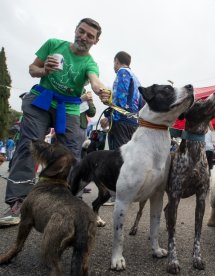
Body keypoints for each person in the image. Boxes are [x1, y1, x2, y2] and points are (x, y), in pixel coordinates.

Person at [0, 18, 110, 226]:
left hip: (68, 107)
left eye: (90, 36)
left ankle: (70, 199)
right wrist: (44, 71)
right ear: (75, 30)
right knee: (29, 145)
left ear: (96, 41)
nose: (83, 37)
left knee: (72, 153)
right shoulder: (53, 44)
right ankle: (18, 202)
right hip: (41, 100)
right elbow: (33, 69)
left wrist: (101, 90)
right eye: (81, 31)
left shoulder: (90, 63)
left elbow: (94, 80)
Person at [100, 51, 142, 205]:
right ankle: (128, 192)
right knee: (128, 157)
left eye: (114, 63)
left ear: (116, 61)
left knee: (117, 157)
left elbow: (120, 98)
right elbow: (141, 102)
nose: (114, 66)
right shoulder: (136, 78)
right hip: (133, 122)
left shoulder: (122, 73)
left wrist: (110, 116)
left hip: (121, 120)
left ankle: (117, 195)